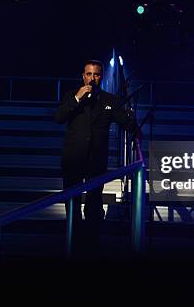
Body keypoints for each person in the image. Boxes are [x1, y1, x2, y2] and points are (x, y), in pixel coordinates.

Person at [54, 59, 137, 255]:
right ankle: (73, 241)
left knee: (94, 201)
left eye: (96, 74)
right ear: (83, 76)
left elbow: (127, 124)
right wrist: (77, 98)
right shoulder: (70, 95)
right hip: (73, 158)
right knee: (72, 200)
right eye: (89, 74)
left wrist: (130, 116)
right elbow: (58, 118)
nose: (92, 78)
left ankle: (92, 242)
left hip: (96, 159)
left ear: (101, 77)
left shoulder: (110, 99)